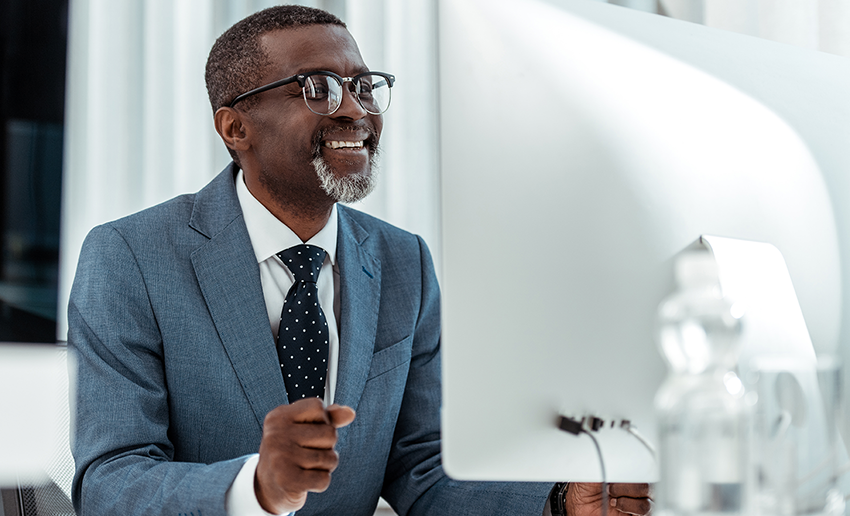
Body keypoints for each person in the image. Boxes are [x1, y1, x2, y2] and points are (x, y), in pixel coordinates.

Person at [68, 5, 652, 516]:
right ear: (235, 126)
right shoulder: (130, 257)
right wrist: (257, 488)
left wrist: (555, 500)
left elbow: (421, 466)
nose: (354, 110)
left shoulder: (404, 262)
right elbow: (110, 481)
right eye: (318, 87)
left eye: (364, 87)